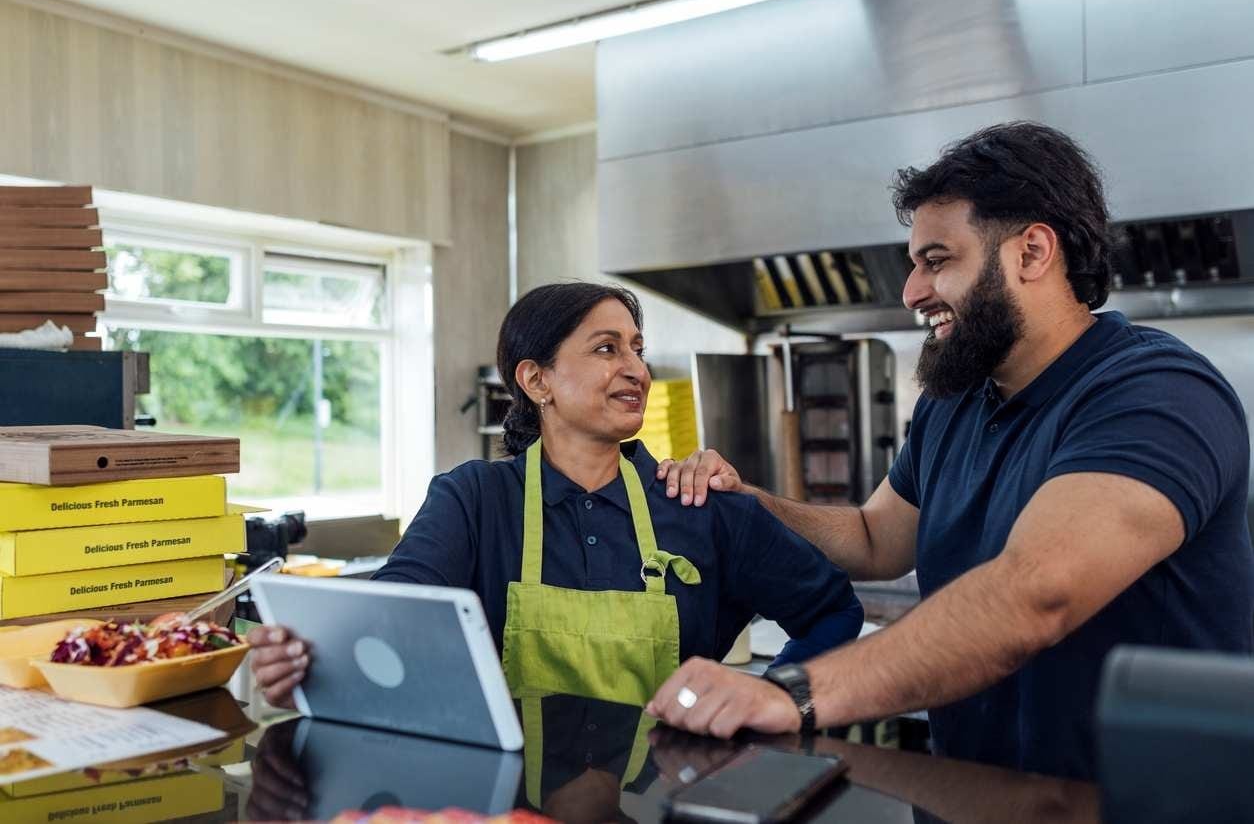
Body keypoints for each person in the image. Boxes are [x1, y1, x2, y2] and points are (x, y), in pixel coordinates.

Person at [646, 122, 1254, 780]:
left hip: (1137, 803)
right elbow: (877, 539)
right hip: (974, 795)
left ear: (1032, 253)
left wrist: (793, 692)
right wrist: (749, 502)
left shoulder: (1155, 392)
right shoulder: (953, 402)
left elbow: (1038, 591)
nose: (910, 291)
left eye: (937, 261)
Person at [249, 282, 863, 711]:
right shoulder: (474, 500)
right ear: (536, 379)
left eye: (637, 349)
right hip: (507, 803)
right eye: (607, 348)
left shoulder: (702, 505)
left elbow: (834, 610)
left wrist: (776, 694)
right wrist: (308, 660)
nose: (637, 370)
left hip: (662, 798)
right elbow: (393, 615)